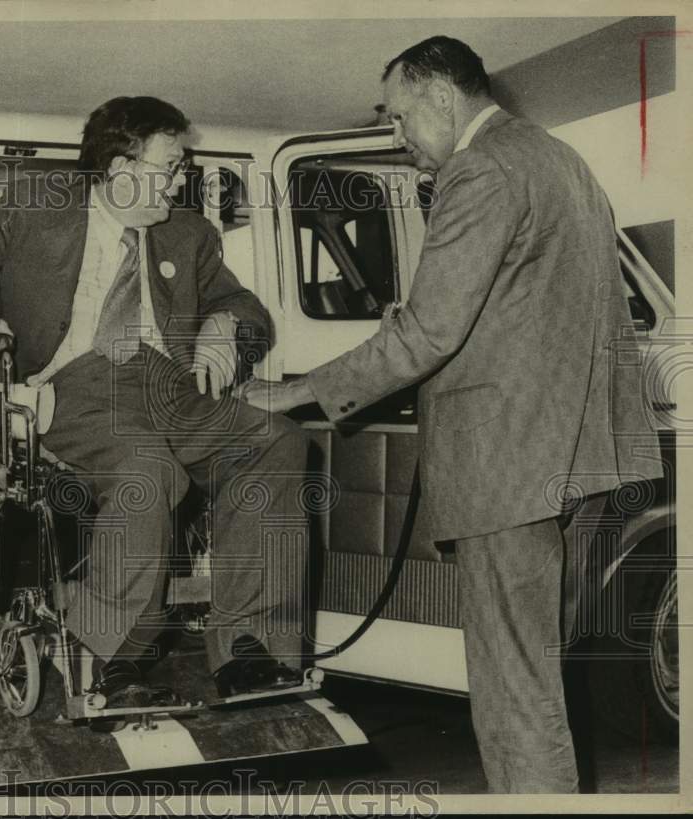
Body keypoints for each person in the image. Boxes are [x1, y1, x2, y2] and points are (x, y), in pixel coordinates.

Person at [238, 37, 661, 792]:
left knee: (514, 695)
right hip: (577, 456)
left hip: (511, 464)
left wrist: (289, 393)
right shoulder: (560, 161)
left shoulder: (481, 168)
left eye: (401, 120)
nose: (400, 141)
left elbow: (428, 333)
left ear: (441, 97)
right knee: (539, 678)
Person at [0, 96, 307, 709]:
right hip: (78, 386)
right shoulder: (36, 207)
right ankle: (111, 660)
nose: (184, 181)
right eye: (173, 168)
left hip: (173, 387)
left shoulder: (190, 233)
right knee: (148, 472)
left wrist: (224, 328)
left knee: (278, 441)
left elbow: (248, 309)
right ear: (123, 173)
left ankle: (250, 648)